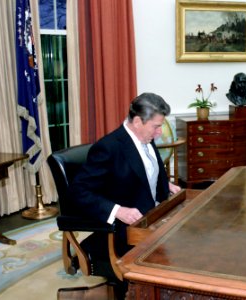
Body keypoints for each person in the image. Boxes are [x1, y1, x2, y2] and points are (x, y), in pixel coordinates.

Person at [68, 92, 181, 298]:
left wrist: (166, 185)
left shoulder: (145, 137)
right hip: (124, 230)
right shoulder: (109, 147)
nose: (159, 133)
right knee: (182, 253)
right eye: (156, 126)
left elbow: (145, 173)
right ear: (137, 121)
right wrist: (117, 210)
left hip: (152, 215)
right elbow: (78, 191)